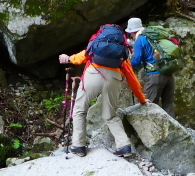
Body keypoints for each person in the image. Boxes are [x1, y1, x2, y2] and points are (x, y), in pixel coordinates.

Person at [59, 24, 147, 158]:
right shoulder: (121, 50)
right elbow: (132, 77)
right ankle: (124, 146)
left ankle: (79, 146)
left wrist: (68, 58)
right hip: (114, 78)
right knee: (110, 115)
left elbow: (83, 56)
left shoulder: (98, 43)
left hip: (94, 74)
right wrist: (141, 98)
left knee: (80, 110)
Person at [126, 17, 175, 117]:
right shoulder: (155, 36)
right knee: (168, 105)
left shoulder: (140, 40)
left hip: (155, 75)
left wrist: (126, 64)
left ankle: (148, 132)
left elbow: (136, 61)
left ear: (132, 32)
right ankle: (173, 131)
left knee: (148, 105)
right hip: (169, 73)